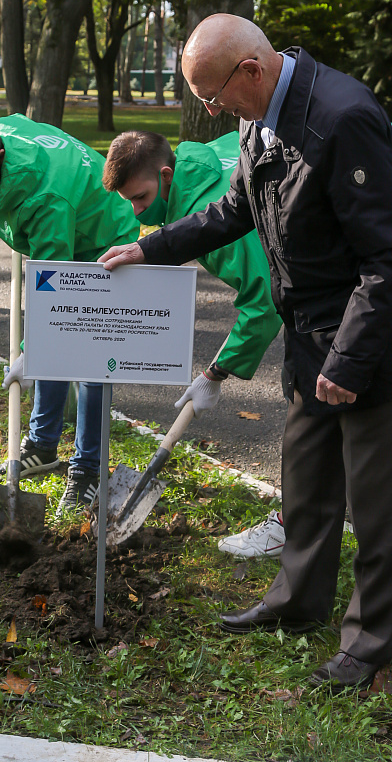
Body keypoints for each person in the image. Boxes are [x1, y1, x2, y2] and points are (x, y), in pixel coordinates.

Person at [100, 14, 392, 690]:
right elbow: (236, 208)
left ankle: (368, 646)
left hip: (371, 340)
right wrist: (154, 246)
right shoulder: (257, 115)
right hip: (313, 332)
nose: (209, 110)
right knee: (307, 480)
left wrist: (348, 362)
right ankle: (297, 601)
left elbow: (391, 256)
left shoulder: (341, 120)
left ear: (250, 71)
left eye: (212, 95)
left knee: (375, 507)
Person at [0, 114, 139, 513]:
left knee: (87, 354)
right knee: (51, 342)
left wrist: (34, 350)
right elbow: (19, 122)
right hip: (64, 224)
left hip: (104, 238)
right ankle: (44, 444)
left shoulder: (44, 199)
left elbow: (55, 290)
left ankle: (87, 468)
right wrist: (40, 347)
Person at [103, 128, 285, 557]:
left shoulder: (214, 220)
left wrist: (215, 374)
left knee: (309, 410)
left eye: (142, 198)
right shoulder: (203, 155)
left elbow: (264, 303)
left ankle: (296, 522)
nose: (137, 210)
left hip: (334, 292)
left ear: (166, 175)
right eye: (129, 201)